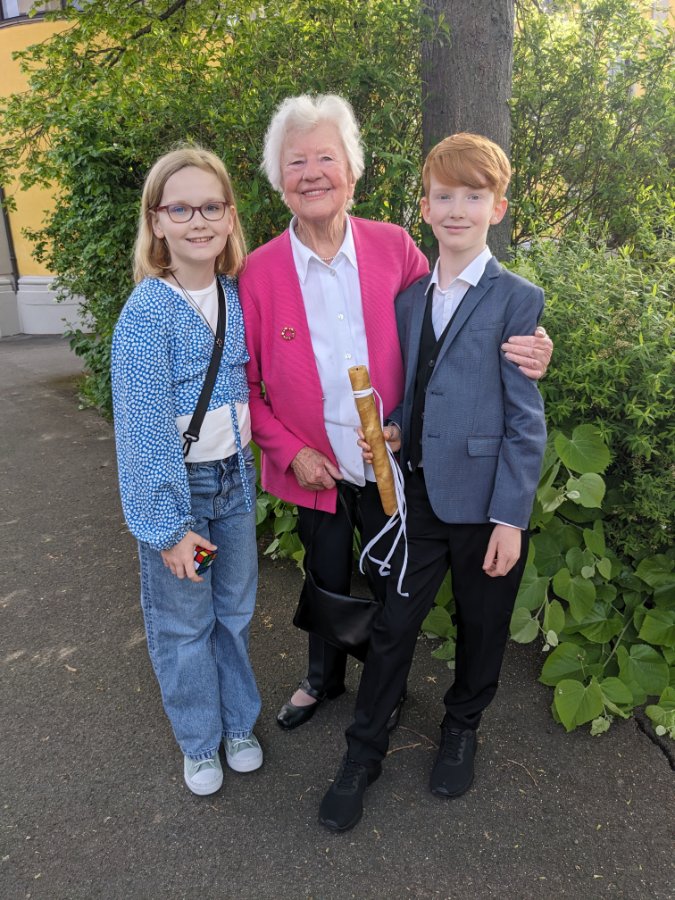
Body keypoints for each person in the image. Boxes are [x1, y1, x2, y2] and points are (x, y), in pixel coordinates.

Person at [240, 94, 553, 731]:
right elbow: (244, 387)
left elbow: (450, 322)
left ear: (351, 173)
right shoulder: (259, 271)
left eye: (326, 158)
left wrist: (531, 346)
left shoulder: (392, 246)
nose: (312, 173)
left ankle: (388, 686)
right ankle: (323, 677)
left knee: (391, 582)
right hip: (315, 464)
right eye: (296, 162)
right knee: (325, 574)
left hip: (395, 456)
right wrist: (291, 453)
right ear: (279, 180)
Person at [319, 132, 548, 833]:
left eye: (473, 197)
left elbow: (524, 420)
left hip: (484, 505)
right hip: (418, 498)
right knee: (392, 624)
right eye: (443, 197)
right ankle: (363, 750)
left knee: (482, 626)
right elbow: (417, 390)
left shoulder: (517, 299)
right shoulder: (410, 299)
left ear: (497, 208)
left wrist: (510, 518)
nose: (456, 210)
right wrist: (395, 430)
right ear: (424, 208)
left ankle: (461, 727)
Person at [111, 147, 263, 796]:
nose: (197, 220)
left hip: (234, 487)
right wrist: (169, 529)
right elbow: (142, 430)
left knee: (232, 610)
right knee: (186, 623)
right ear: (157, 221)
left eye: (210, 206)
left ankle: (238, 724)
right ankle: (201, 741)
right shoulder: (149, 312)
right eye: (180, 208)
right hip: (186, 496)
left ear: (229, 217)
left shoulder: (235, 295)